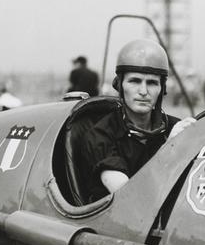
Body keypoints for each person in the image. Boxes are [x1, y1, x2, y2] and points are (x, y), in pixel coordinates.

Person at [73, 39, 195, 200]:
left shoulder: (174, 127)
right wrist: (168, 150)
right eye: (134, 81)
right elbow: (130, 198)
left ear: (162, 89)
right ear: (120, 85)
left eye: (152, 83)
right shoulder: (100, 137)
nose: (143, 91)